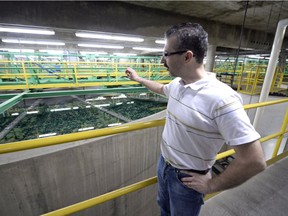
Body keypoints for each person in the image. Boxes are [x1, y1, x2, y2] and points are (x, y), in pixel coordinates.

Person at [125, 22, 266, 216]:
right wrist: (139, 79)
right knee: (164, 210)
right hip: (164, 165)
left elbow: (254, 160)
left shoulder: (221, 99)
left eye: (166, 54)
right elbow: (160, 88)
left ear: (187, 56)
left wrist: (212, 185)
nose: (162, 61)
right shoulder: (177, 84)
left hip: (187, 179)